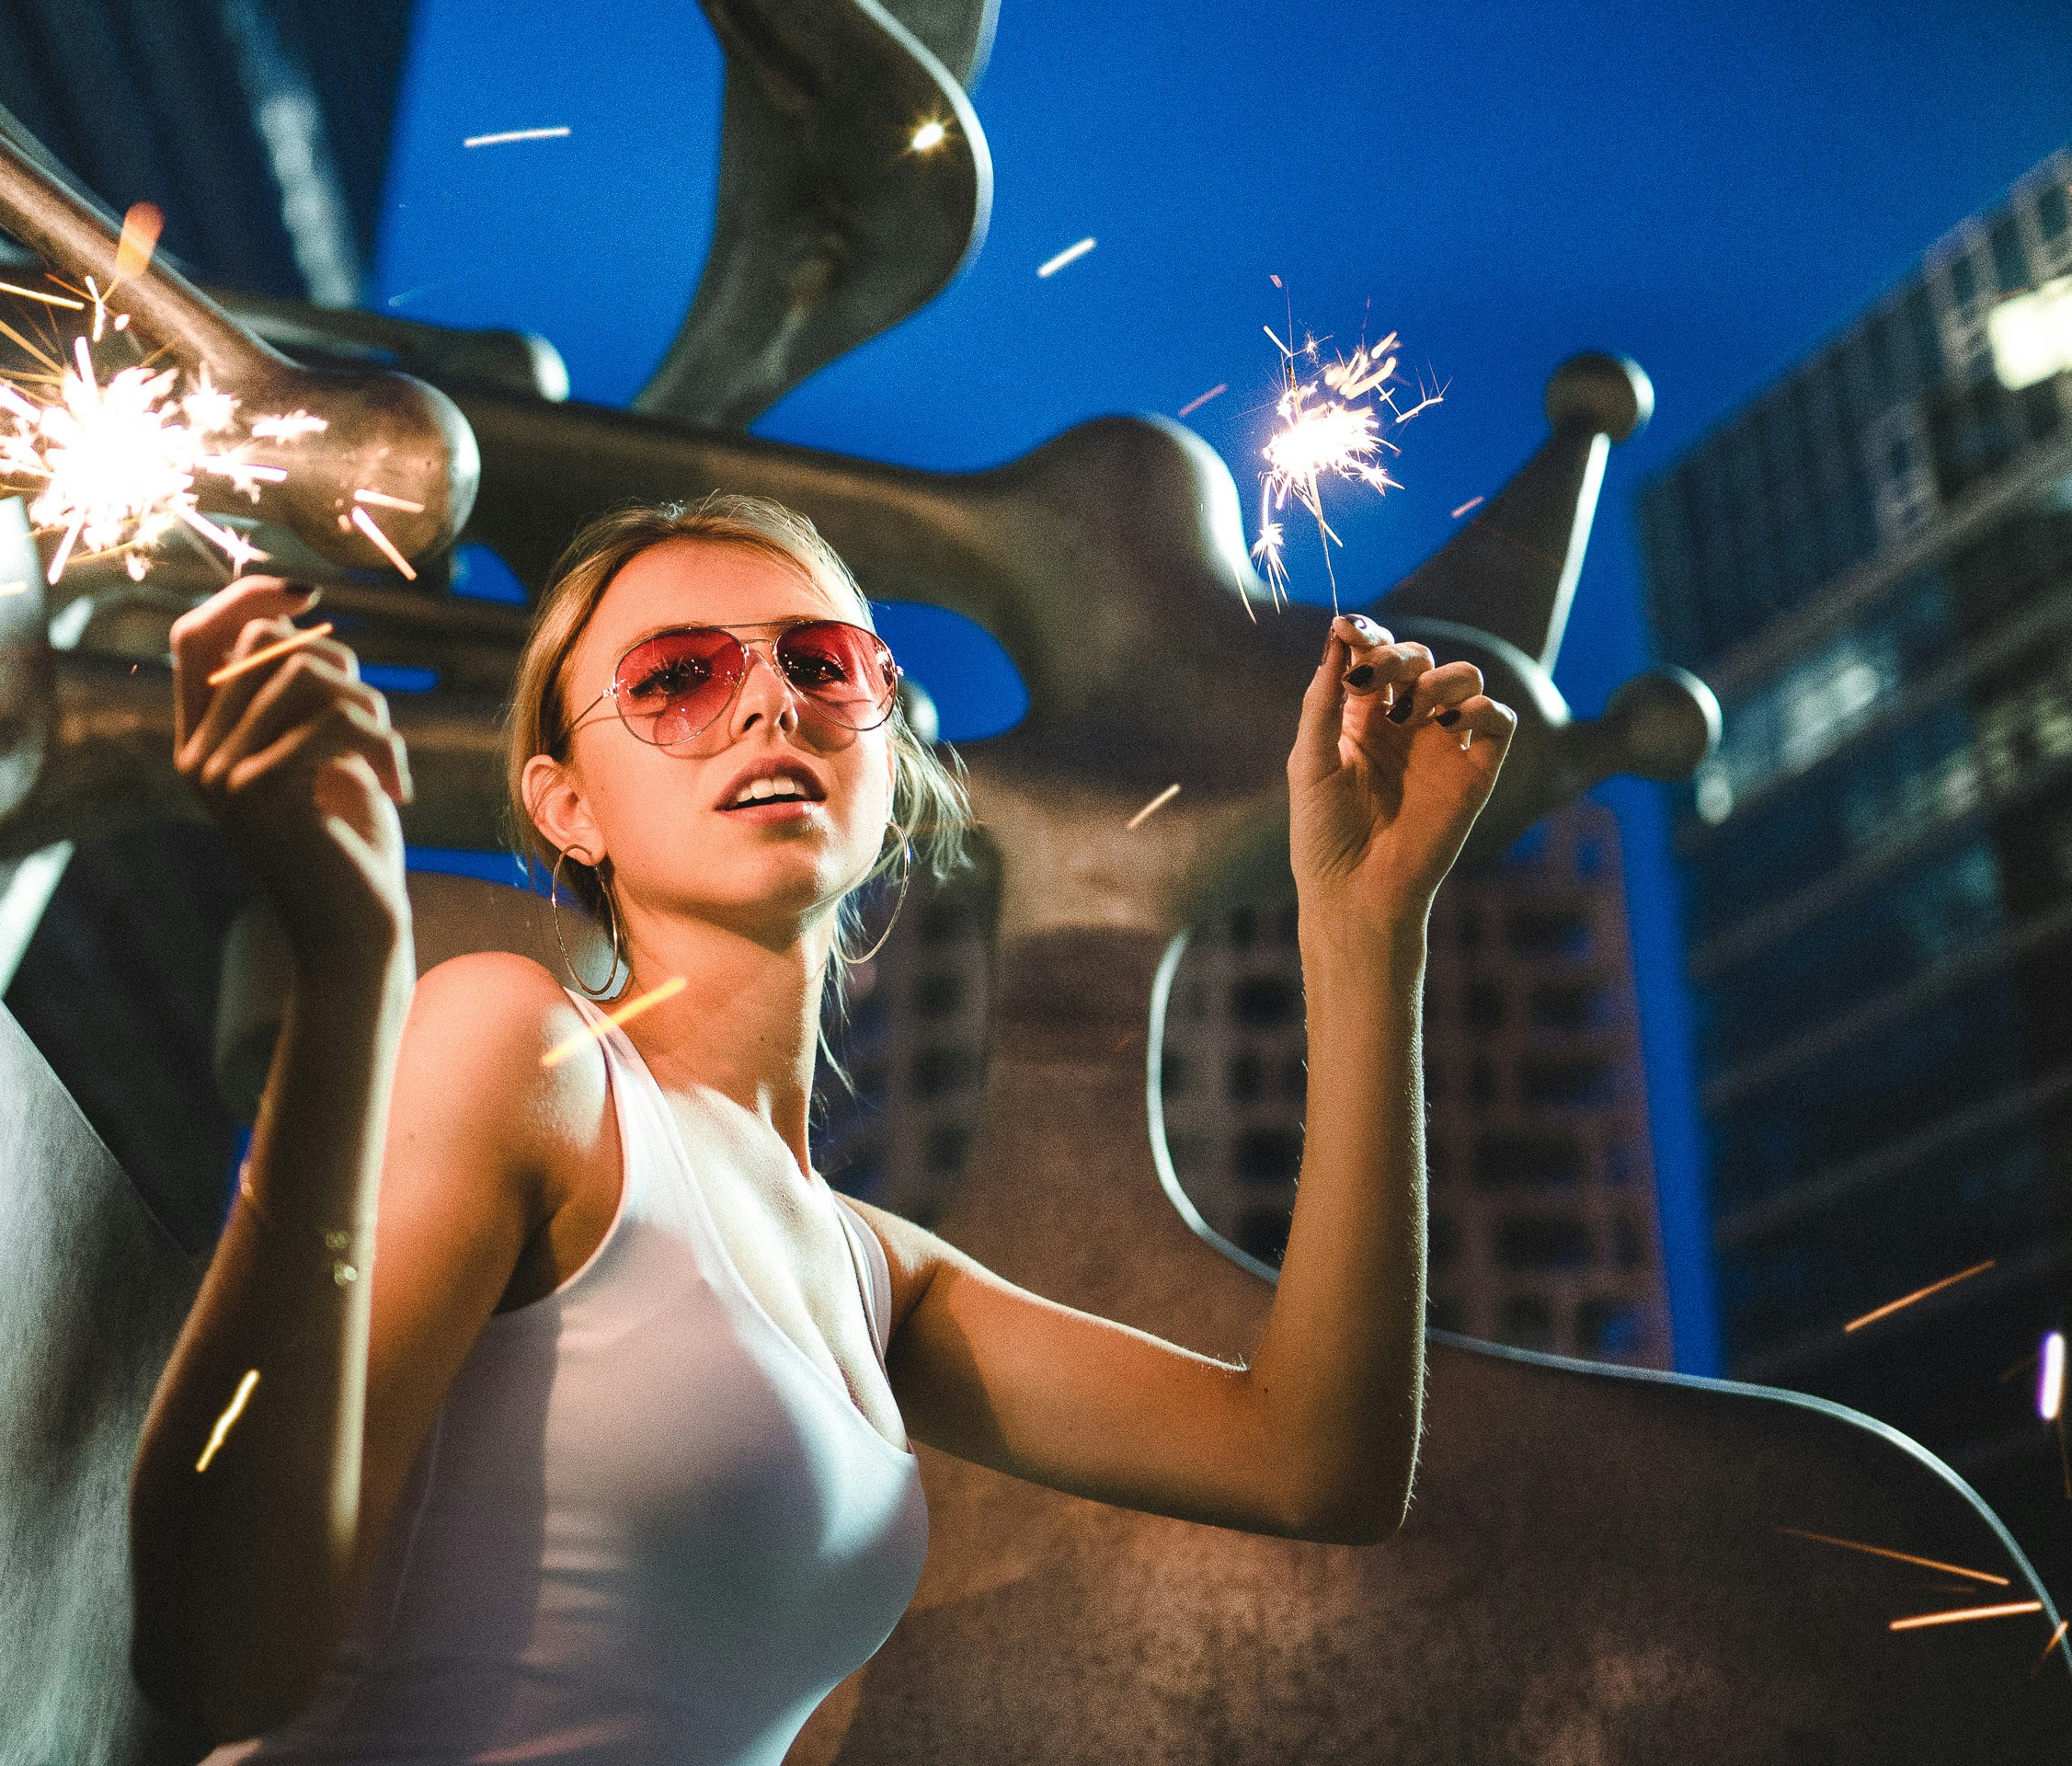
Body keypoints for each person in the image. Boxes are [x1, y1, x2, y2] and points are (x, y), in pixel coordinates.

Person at [129, 494, 1515, 1762]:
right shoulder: (526, 1050)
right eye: (677, 679)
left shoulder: (876, 1276)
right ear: (569, 807)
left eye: (821, 664)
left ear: (887, 741)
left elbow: (1315, 1463)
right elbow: (216, 1661)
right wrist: (348, 984)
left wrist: (1364, 920)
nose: (767, 708)